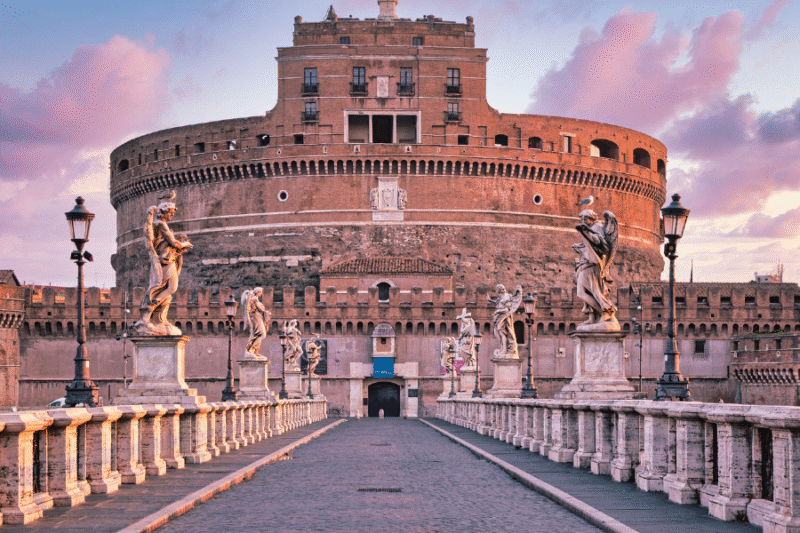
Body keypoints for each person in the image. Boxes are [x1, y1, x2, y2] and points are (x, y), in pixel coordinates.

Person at [135, 191, 192, 335]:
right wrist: (185, 244)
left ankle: (159, 317)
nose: (171, 216)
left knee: (168, 289)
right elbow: (174, 242)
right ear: (164, 212)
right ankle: (150, 308)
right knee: (168, 287)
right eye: (170, 213)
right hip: (165, 262)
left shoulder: (159, 225)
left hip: (168, 261)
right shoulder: (161, 224)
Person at [573, 209, 619, 331]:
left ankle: (607, 311)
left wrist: (586, 231)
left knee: (592, 291)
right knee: (584, 292)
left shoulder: (597, 227)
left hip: (593, 264)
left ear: (592, 218)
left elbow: (599, 241)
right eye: (581, 218)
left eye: (585, 218)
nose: (583, 220)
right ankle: (593, 316)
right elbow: (588, 245)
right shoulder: (588, 227)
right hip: (586, 262)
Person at [488, 284, 523, 358]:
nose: (496, 290)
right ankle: (503, 347)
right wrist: (490, 300)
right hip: (498, 317)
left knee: (503, 333)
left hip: (504, 317)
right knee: (497, 333)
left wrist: (497, 312)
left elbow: (507, 309)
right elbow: (498, 303)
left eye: (497, 289)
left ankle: (504, 349)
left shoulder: (508, 296)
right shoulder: (500, 297)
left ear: (500, 289)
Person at [242, 287, 270, 358]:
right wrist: (266, 312)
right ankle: (251, 349)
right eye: (260, 292)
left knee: (258, 334)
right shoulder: (254, 299)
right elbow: (260, 308)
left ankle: (255, 351)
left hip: (258, 317)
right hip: (256, 318)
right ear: (257, 292)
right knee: (261, 334)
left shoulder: (254, 298)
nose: (261, 293)